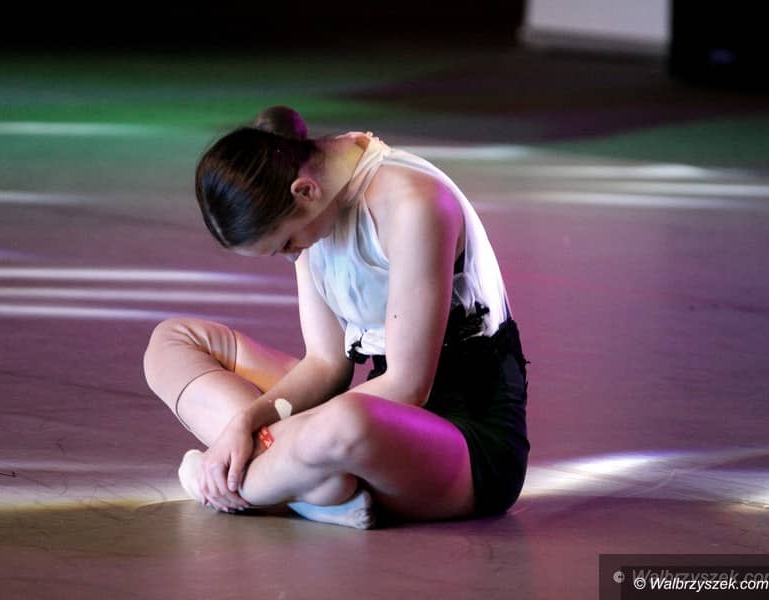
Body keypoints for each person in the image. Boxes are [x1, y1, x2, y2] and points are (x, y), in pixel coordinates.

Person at [143, 106, 529, 529]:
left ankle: (229, 485)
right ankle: (312, 486)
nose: (291, 255)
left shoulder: (413, 203)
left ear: (305, 191)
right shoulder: (315, 206)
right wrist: (244, 422)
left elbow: (408, 386)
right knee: (171, 341)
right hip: (366, 413)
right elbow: (326, 364)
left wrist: (264, 432)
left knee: (344, 423)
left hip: (461, 440)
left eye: (286, 243)